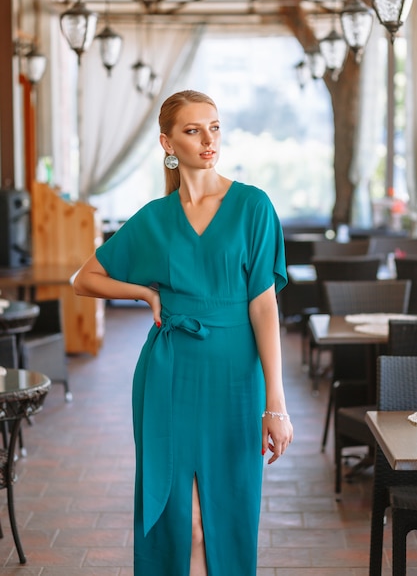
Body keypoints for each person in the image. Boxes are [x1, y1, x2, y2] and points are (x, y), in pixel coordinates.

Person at [73, 89, 293, 576]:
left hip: (237, 378)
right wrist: (145, 294)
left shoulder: (253, 206)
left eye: (214, 127)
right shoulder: (154, 217)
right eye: (193, 131)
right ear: (167, 143)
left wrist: (274, 404)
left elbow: (264, 306)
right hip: (168, 375)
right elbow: (83, 279)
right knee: (181, 520)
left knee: (228, 512)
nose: (208, 140)